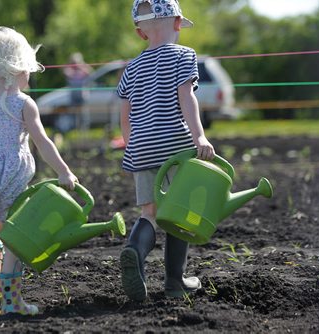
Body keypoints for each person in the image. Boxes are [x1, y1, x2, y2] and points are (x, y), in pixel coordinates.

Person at [0, 26, 78, 315]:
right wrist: (64, 171)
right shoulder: (24, 103)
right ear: (19, 67)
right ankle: (12, 302)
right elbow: (43, 142)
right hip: (11, 177)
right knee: (14, 237)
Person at [117, 0, 216, 302]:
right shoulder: (185, 56)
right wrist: (199, 137)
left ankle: (134, 249)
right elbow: (187, 98)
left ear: (140, 33)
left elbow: (125, 113)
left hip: (141, 147)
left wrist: (132, 144)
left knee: (150, 213)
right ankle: (175, 281)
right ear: (177, 24)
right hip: (175, 145)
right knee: (179, 213)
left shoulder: (131, 68)